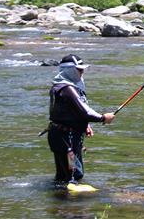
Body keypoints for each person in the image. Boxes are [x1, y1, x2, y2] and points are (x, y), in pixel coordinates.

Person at [47, 54, 115, 184]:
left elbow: (67, 112)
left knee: (63, 176)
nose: (82, 72)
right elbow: (85, 112)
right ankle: (70, 197)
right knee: (74, 174)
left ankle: (59, 196)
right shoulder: (67, 89)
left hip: (60, 135)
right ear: (70, 70)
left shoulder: (59, 86)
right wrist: (103, 118)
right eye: (79, 69)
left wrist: (85, 124)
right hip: (66, 138)